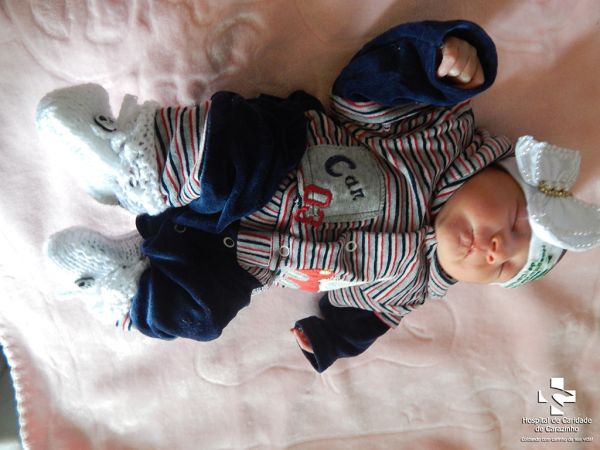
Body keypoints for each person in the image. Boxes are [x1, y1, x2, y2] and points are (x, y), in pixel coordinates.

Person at [37, 20, 600, 372]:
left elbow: (369, 317)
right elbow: (361, 92)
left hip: (245, 258)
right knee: (235, 151)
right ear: (498, 170)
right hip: (280, 164)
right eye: (518, 222)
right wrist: (435, 66)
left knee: (201, 314)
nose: (497, 248)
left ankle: (125, 282)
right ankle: (130, 157)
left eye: (503, 268)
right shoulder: (436, 139)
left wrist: (330, 340)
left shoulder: (415, 287)